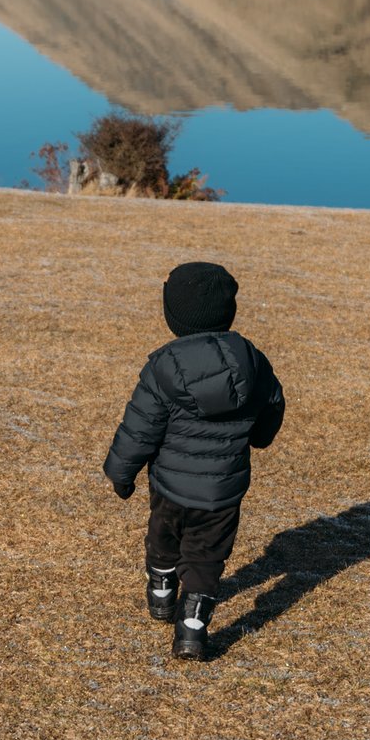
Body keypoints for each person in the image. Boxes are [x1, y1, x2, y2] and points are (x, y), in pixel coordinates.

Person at [101, 260, 286, 660]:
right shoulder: (253, 360)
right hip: (223, 491)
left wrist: (121, 473)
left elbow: (140, 427)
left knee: (163, 541)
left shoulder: (163, 368)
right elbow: (272, 407)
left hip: (170, 487)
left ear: (174, 318)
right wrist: (259, 437)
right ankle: (192, 629)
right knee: (207, 559)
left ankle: (162, 593)